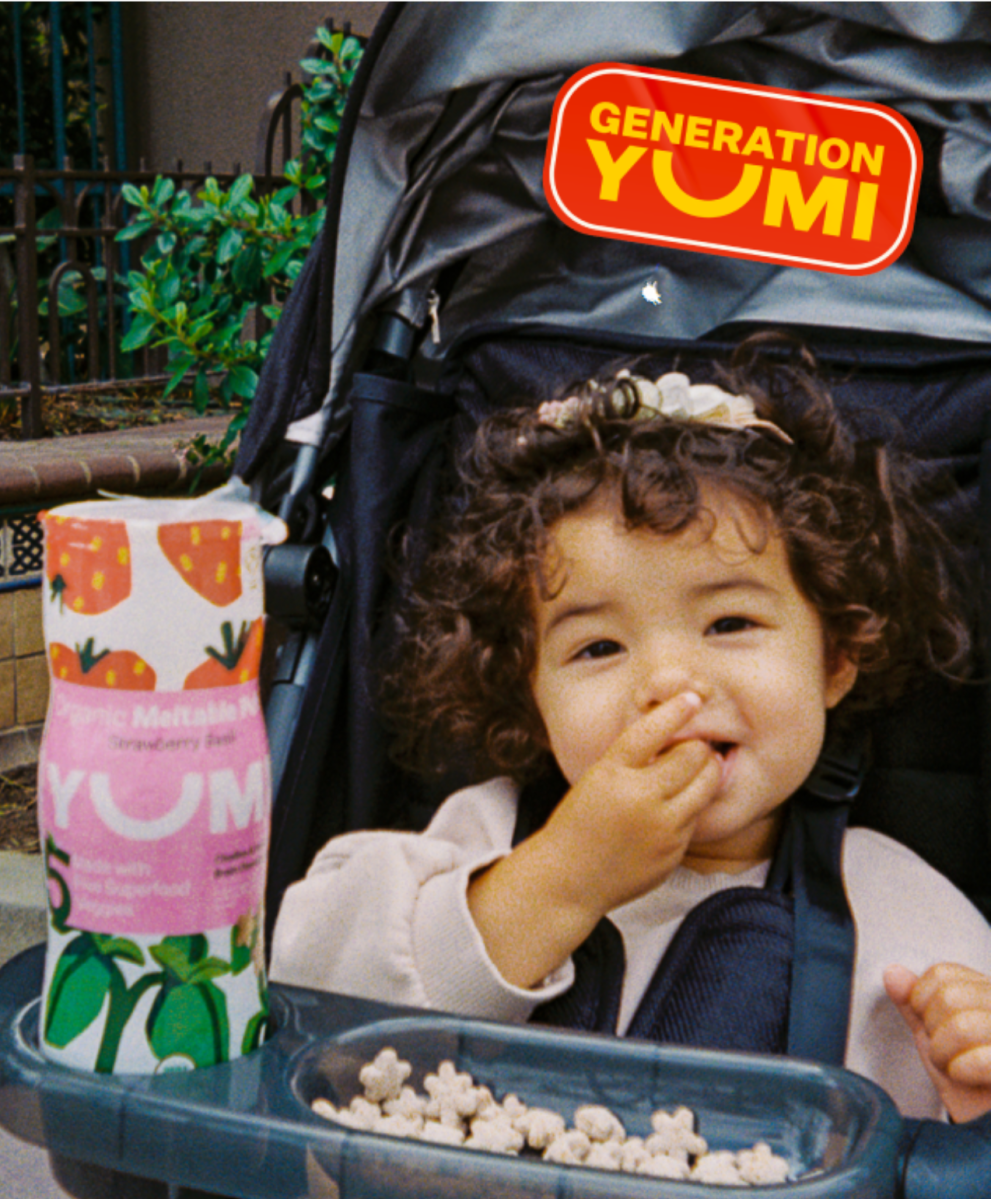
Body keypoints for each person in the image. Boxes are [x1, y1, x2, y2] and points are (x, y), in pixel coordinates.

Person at [270, 339, 991, 1124]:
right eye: (599, 647)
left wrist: (971, 1105)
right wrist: (560, 877)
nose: (669, 683)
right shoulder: (484, 838)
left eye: (730, 621)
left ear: (836, 658)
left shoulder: (910, 916)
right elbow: (313, 1006)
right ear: (528, 687)